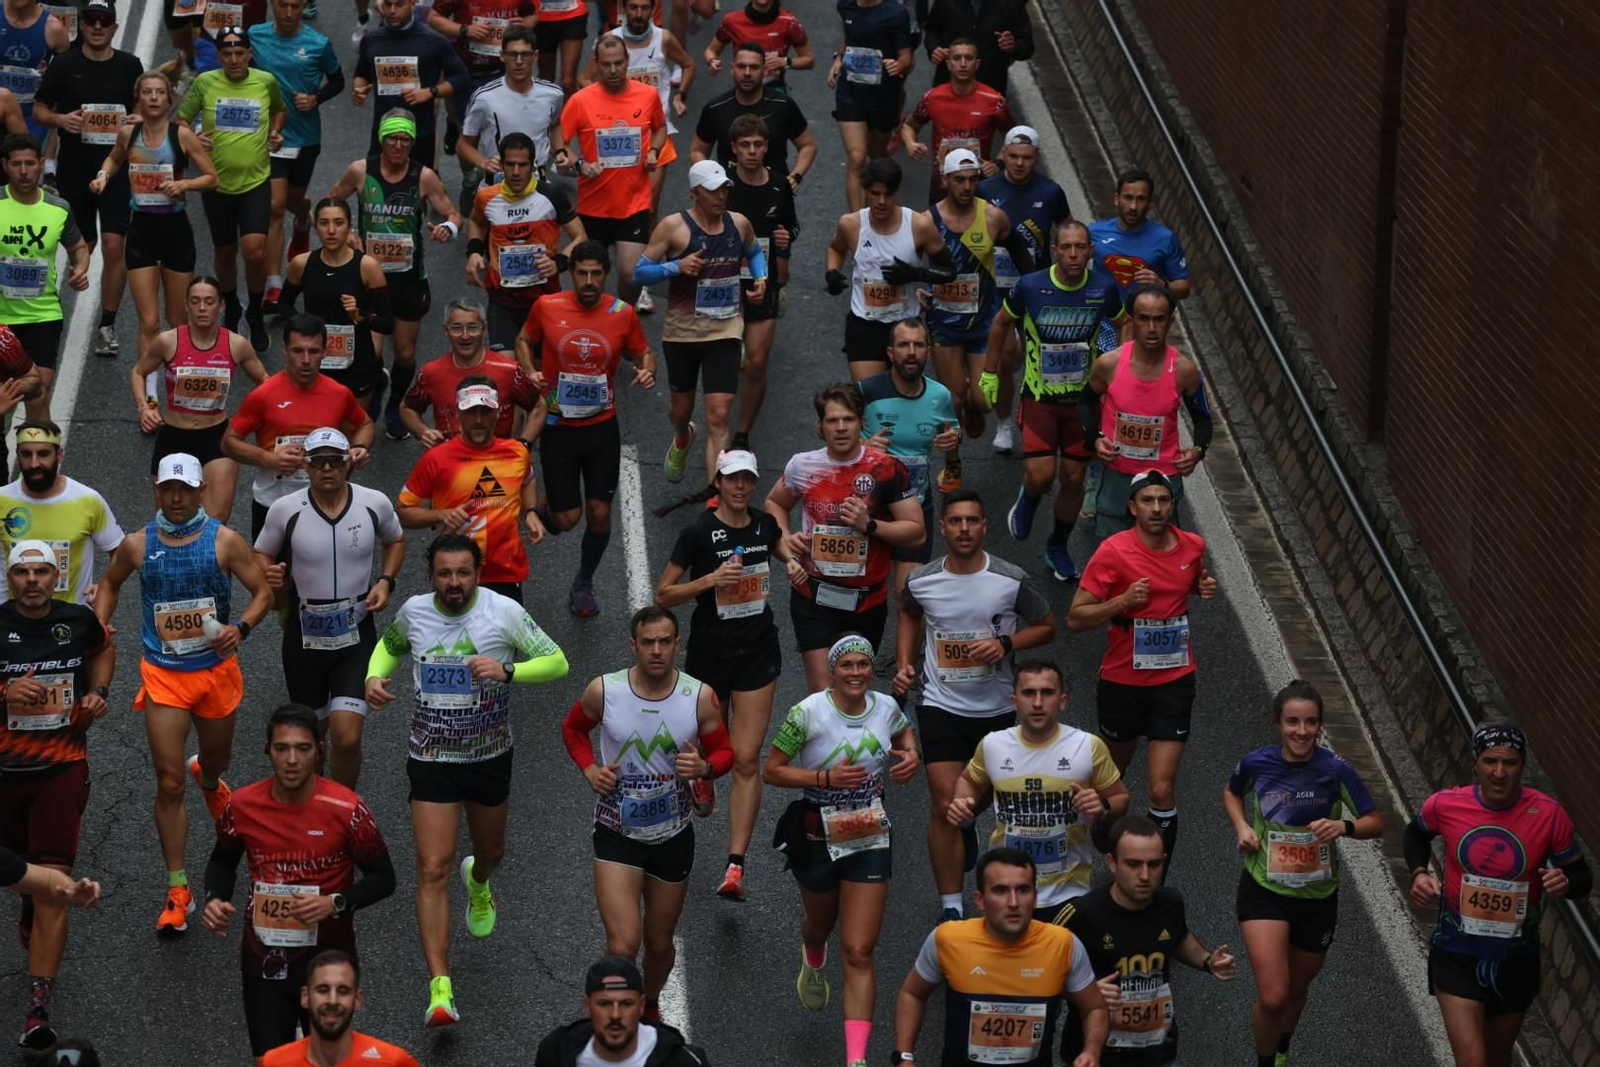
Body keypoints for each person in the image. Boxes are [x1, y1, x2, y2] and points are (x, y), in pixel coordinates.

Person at [365, 533, 569, 1027]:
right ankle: (440, 988)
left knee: (491, 851)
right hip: (431, 757)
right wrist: (374, 677)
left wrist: (507, 670)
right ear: (430, 575)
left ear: (478, 573)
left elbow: (557, 661)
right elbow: (387, 649)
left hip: (488, 756)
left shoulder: (503, 613)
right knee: (432, 866)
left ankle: (478, 880)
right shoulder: (414, 612)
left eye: (462, 573)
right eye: (444, 574)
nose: (453, 583)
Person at [92, 452, 273, 936]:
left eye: (185, 490)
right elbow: (109, 585)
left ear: (199, 492)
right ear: (156, 489)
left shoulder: (225, 541)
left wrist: (242, 628)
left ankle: (209, 780)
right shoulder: (137, 544)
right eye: (168, 489)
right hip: (164, 674)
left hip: (215, 672)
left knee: (214, 762)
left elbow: (263, 593)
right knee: (168, 782)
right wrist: (100, 624)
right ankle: (178, 889)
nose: (176, 499)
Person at [562, 606, 730, 1025]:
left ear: (678, 644)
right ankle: (611, 1020)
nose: (657, 650)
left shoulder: (700, 696)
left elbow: (727, 752)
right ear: (632, 646)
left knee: (657, 943)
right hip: (616, 830)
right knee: (623, 942)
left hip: (673, 833)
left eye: (664, 642)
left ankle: (650, 1002)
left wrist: (706, 768)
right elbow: (572, 729)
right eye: (648, 642)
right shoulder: (605, 691)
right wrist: (589, 770)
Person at [200, 704, 398, 1058]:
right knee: (271, 1060)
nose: (292, 759)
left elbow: (384, 878)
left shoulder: (347, 809)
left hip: (328, 963)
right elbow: (222, 861)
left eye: (303, 748)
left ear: (319, 751)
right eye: (282, 748)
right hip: (264, 958)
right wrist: (215, 898)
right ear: (268, 751)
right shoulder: (242, 805)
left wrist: (334, 903)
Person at [895, 492, 1055, 919]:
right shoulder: (922, 580)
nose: (963, 529)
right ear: (942, 528)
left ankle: (966, 823)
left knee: (973, 802)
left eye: (972, 521)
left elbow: (1046, 625)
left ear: (985, 526)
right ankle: (952, 906)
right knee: (945, 804)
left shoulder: (1010, 579)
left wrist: (1006, 643)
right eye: (955, 521)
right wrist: (907, 663)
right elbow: (908, 612)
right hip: (941, 704)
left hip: (997, 709)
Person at [765, 634, 919, 1067]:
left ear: (872, 670)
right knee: (820, 925)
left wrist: (912, 758)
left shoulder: (886, 707)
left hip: (869, 835)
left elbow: (905, 738)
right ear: (832, 671)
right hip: (816, 835)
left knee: (858, 950)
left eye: (863, 665)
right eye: (847, 665)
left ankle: (856, 1060)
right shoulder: (807, 713)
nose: (856, 673)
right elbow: (772, 771)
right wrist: (824, 781)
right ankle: (813, 952)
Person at [1407, 722, 1593, 1067]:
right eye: (1491, 761)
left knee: (1495, 1060)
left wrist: (1565, 882)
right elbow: (1415, 835)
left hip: (1514, 960)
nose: (1499, 772)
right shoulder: (1446, 804)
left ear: (1522, 766)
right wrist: (1419, 872)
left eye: (1510, 763)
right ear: (1476, 762)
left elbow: (1583, 876)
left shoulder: (1549, 815)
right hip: (1457, 952)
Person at [1223, 680, 1383, 1067]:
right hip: (1265, 889)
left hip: (1317, 897)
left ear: (1320, 725)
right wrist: (1242, 827)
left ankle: (1282, 1046)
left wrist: (1344, 827)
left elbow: (1376, 822)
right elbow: (1231, 792)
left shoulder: (1335, 769)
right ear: (1277, 723)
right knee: (1274, 995)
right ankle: (1265, 1062)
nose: (1301, 731)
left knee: (1296, 991)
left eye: (1310, 722)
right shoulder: (1257, 763)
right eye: (1292, 721)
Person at [655, 449, 791, 901]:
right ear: (718, 482)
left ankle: (736, 866)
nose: (740, 487)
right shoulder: (697, 532)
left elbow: (780, 546)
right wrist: (707, 582)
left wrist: (795, 557)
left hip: (757, 651)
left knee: (748, 758)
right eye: (732, 479)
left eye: (747, 480)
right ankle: (704, 776)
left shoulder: (763, 525)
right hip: (711, 654)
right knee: (715, 749)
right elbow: (663, 594)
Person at [1068, 470, 1215, 876]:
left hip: (1175, 678)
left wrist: (1201, 586)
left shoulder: (1193, 545)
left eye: (1163, 500)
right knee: (1113, 787)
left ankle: (1152, 877)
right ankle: (1103, 842)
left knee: (1161, 788)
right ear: (1132, 507)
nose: (1156, 508)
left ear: (1173, 505)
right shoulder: (1114, 552)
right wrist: (1122, 602)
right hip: (1122, 679)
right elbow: (1077, 617)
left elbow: (1187, 579)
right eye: (1147, 501)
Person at [0, 540, 113, 1049]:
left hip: (61, 769)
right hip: (4, 774)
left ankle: (37, 1009)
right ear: (10, 577)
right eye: (22, 572)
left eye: (41, 571)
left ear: (55, 576)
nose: (32, 580)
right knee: (20, 871)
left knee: (53, 884)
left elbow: (104, 647)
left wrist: (99, 692)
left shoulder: (80, 620)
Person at [253, 429, 405, 788]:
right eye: (317, 461)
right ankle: (313, 801)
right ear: (305, 466)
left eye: (334, 461)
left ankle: (343, 806)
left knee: (347, 736)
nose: (326, 469)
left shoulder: (374, 503)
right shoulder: (285, 509)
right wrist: (269, 574)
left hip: (356, 632)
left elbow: (395, 539)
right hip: (304, 634)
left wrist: (385, 580)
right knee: (311, 737)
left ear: (347, 463)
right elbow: (260, 552)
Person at [515, 241, 654, 617]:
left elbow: (643, 351)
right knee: (567, 519)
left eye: (596, 274)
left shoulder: (623, 313)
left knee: (599, 512)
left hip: (601, 427)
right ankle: (541, 512)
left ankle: (584, 581)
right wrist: (529, 371)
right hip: (559, 426)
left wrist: (647, 369)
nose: (589, 281)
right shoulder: (548, 306)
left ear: (605, 275)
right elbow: (524, 340)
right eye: (582, 273)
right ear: (571, 273)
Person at [982, 220, 1122, 580]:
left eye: (1081, 247)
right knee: (1042, 475)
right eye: (1067, 247)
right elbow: (1000, 324)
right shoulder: (1031, 286)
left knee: (1074, 479)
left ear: (1091, 251)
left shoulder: (1104, 288)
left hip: (1083, 403)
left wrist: (1119, 366)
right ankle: (1029, 498)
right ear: (1055, 251)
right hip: (1040, 397)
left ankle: (1057, 546)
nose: (1074, 254)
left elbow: (1126, 321)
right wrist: (990, 372)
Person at [765, 383, 924, 693]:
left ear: (861, 423)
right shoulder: (802, 465)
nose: (840, 427)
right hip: (813, 596)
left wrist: (871, 525)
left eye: (848, 419)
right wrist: (786, 541)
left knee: (854, 689)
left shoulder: (886, 469)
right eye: (832, 420)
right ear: (820, 427)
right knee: (823, 694)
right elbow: (774, 503)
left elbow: (916, 532)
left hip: (868, 600)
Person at [949, 658, 1126, 926]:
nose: (1038, 702)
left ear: (1063, 701)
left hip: (1068, 890)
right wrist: (962, 803)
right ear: (1014, 701)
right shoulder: (994, 746)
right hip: (1006, 887)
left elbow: (1121, 798)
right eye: (1029, 693)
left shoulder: (1087, 746)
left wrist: (1102, 805)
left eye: (1048, 693)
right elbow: (969, 780)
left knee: (1061, 964)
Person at [892, 847, 1108, 1067]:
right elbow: (912, 994)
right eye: (1000, 890)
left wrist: (1091, 1051)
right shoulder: (948, 939)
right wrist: (904, 1056)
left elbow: (1095, 1008)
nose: (1013, 902)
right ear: (980, 900)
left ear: (1034, 898)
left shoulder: (1063, 944)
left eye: (1023, 890)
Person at [324, 110, 463, 441]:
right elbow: (332, 200)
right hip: (369, 277)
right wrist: (347, 234)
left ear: (412, 143)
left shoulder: (424, 177)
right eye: (392, 138)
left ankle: (396, 407)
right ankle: (373, 395)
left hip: (408, 279)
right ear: (382, 139)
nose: (398, 145)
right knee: (370, 353)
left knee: (404, 353)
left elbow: (454, 213)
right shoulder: (361, 171)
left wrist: (448, 228)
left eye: (405, 139)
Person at [1060, 815, 1236, 1065]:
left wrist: (1208, 961)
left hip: (1156, 1050)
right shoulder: (1082, 913)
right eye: (1133, 864)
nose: (1145, 875)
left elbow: (1178, 938)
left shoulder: (1170, 902)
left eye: (1154, 864)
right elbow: (1045, 970)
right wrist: (1085, 993)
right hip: (1096, 1054)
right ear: (1112, 862)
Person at [637, 159, 767, 487]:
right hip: (682, 333)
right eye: (712, 191)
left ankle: (714, 498)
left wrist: (760, 277)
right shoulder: (673, 227)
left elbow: (753, 252)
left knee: (720, 416)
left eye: (724, 188)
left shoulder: (739, 224)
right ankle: (683, 437)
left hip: (725, 330)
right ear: (694, 193)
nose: (720, 196)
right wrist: (675, 267)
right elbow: (639, 272)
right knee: (681, 411)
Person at [30, 0, 143, 358]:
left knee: (113, 244)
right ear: (82, 25)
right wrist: (61, 121)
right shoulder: (65, 65)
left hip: (117, 168)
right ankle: (50, 312)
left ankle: (106, 324)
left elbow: (143, 110)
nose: (97, 26)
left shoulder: (130, 65)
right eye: (91, 20)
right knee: (80, 246)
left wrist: (135, 121)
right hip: (75, 167)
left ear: (114, 27)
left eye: (104, 21)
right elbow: (39, 108)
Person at [88, 71, 218, 371]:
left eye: (160, 92)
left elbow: (213, 178)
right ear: (139, 99)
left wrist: (184, 186)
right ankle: (148, 395)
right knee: (148, 321)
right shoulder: (128, 134)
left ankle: (176, 384)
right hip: (141, 231)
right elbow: (115, 158)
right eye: (147, 92)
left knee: (177, 320)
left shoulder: (181, 136)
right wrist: (104, 175)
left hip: (175, 232)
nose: (154, 98)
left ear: (168, 98)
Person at [917, 149, 1024, 491]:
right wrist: (918, 289)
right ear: (945, 180)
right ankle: (953, 464)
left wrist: (1034, 293)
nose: (966, 186)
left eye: (973, 179)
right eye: (959, 180)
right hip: (944, 325)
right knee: (954, 399)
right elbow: (905, 261)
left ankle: (975, 408)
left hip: (983, 324)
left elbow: (1023, 257)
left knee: (982, 401)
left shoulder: (993, 217)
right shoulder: (926, 220)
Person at [177, 26, 288, 355]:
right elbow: (182, 120)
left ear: (249, 54)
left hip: (255, 181)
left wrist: (276, 133)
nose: (234, 59)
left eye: (240, 53)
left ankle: (254, 310)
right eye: (227, 54)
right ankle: (233, 308)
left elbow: (280, 110)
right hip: (217, 183)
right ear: (220, 56)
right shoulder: (205, 83)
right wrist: (192, 139)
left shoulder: (265, 82)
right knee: (224, 253)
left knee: (254, 250)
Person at [222, 313, 375, 540]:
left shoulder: (338, 394)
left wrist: (359, 447)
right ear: (284, 349)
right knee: (271, 573)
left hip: (325, 503)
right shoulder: (264, 395)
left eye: (314, 351)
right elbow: (228, 443)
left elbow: (365, 424)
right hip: (273, 504)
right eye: (297, 351)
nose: (306, 359)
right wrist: (270, 459)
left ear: (325, 351)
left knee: (320, 573)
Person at [131, 276, 269, 524]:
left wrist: (254, 420)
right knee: (171, 520)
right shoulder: (168, 341)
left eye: (209, 301)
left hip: (216, 438)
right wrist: (146, 407)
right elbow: (139, 372)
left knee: (215, 521)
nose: (202, 308)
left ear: (222, 306)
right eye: (195, 302)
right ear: (186, 306)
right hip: (173, 436)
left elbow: (267, 385)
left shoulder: (237, 345)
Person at [396, 377, 546, 602]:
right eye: (470, 412)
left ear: (498, 413)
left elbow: (528, 480)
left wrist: (531, 511)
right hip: (456, 577)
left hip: (505, 573)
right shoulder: (437, 458)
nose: (478, 420)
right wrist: (440, 515)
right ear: (458, 413)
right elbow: (403, 513)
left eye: (485, 412)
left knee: (504, 637)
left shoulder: (517, 453)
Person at [1078, 286, 1212, 536]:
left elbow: (1203, 419)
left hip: (1162, 479)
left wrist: (1197, 451)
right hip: (1117, 475)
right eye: (1144, 318)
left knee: (1162, 561)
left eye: (1159, 319)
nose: (1152, 327)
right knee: (1115, 562)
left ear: (1170, 321)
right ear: (1131, 319)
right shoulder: (1109, 363)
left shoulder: (1184, 369)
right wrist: (1094, 439)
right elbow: (1085, 403)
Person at [978, 126, 1073, 456]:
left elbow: (1068, 231)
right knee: (1006, 359)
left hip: (1038, 290)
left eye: (1027, 158)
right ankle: (1004, 423)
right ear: (1002, 155)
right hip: (996, 290)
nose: (1019, 164)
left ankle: (1041, 418)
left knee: (1043, 361)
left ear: (1037, 158)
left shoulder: (1050, 192)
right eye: (1013, 157)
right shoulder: (985, 189)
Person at [249, 0, 343, 319]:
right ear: (272, 5)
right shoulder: (255, 36)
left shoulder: (318, 44)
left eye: (295, 6)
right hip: (270, 137)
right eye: (282, 6)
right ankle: (275, 285)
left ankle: (303, 218)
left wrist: (317, 98)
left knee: (293, 200)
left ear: (304, 6)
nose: (288, 14)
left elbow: (338, 81)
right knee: (275, 207)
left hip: (306, 137)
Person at [559, 35, 668, 311]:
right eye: (606, 64)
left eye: (619, 63)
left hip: (633, 203)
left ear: (627, 61)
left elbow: (660, 128)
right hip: (593, 206)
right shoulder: (581, 101)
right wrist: (579, 164)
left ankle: (620, 317)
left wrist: (654, 151)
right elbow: (558, 142)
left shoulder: (647, 95)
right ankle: (591, 326)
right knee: (588, 280)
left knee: (632, 275)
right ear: (597, 64)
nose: (613, 70)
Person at [825, 158, 953, 383]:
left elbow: (950, 270)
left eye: (888, 194)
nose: (882, 201)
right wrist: (832, 272)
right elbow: (835, 248)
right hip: (864, 324)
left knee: (902, 400)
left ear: (897, 191)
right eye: (875, 193)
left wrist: (916, 275)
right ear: (866, 191)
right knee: (869, 400)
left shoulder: (918, 225)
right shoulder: (851, 224)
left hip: (905, 326)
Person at [858, 318, 957, 594]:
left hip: (916, 507)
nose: (911, 352)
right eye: (903, 345)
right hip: (870, 507)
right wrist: (863, 446)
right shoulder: (866, 392)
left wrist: (954, 440)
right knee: (861, 596)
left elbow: (956, 432)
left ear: (928, 351)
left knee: (909, 598)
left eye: (918, 345)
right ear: (891, 353)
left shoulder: (940, 395)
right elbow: (832, 435)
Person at [464, 130, 585, 353]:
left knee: (538, 374)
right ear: (501, 164)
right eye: (510, 165)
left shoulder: (551, 195)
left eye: (523, 165)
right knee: (507, 373)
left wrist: (557, 263)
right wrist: (473, 251)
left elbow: (580, 237)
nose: (516, 172)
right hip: (502, 300)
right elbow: (476, 222)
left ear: (533, 165)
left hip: (544, 299)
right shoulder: (486, 197)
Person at [0, 134, 89, 421]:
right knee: (4, 397)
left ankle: (36, 464)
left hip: (42, 316)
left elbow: (79, 247)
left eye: (29, 164)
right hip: (1, 320)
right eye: (16, 164)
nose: (24, 171)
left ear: (40, 165)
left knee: (39, 393)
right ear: (5, 166)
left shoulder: (58, 208)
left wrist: (80, 268)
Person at [725, 114, 795, 448]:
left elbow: (790, 227)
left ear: (767, 147)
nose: (752, 151)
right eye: (745, 145)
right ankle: (718, 421)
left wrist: (783, 249)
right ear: (734, 149)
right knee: (723, 361)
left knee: (756, 361)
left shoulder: (780, 184)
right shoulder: (721, 184)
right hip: (722, 283)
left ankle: (742, 434)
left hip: (762, 281)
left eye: (758, 145)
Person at [278, 198, 392, 403]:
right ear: (315, 227)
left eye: (338, 223)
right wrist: (304, 325)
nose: (331, 230)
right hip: (314, 362)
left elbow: (387, 322)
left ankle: (377, 380)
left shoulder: (367, 267)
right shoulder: (301, 264)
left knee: (354, 429)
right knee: (316, 428)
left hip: (357, 364)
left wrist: (360, 315)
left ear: (349, 226)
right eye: (324, 223)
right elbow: (284, 304)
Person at [0, 422, 123, 606]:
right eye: (26, 454)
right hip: (11, 621)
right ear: (17, 455)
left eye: (43, 454)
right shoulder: (2, 499)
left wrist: (107, 584)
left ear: (59, 455)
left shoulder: (87, 500)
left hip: (72, 621)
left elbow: (119, 551)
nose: (34, 463)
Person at [427, 0, 537, 205]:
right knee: (468, 134)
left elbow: (531, 15)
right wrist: (464, 29)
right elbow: (433, 18)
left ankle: (501, 181)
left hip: (501, 70)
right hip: (465, 71)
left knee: (501, 127)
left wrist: (524, 26)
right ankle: (469, 177)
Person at [351, 0, 470, 171]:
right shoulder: (371, 40)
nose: (392, 11)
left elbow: (461, 78)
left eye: (399, 5)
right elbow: (362, 74)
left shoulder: (433, 41)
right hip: (383, 131)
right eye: (387, 4)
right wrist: (359, 89)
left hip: (420, 133)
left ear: (413, 4)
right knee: (375, 191)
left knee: (418, 192)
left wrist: (431, 91)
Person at [534, 956, 713, 1066]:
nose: (615, 1015)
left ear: (642, 1005)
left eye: (626, 1004)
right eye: (604, 1004)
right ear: (587, 1006)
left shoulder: (682, 1061)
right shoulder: (554, 1053)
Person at [455, 26, 567, 200]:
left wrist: (560, 151)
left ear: (535, 56)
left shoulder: (553, 94)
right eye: (513, 55)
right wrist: (484, 163)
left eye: (525, 54)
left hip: (540, 187)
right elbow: (463, 145)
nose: (519, 61)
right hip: (497, 186)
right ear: (502, 56)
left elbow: (555, 125)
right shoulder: (484, 98)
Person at [259, 950, 422, 1066]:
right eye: (323, 990)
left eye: (343, 991)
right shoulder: (274, 1063)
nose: (332, 1000)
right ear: (305, 997)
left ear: (357, 999)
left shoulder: (392, 1062)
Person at [401, 298, 527, 445]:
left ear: (484, 329)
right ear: (445, 330)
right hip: (451, 463)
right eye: (456, 328)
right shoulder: (431, 372)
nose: (465, 336)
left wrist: (525, 444)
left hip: (499, 462)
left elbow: (538, 406)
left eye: (472, 327)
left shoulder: (510, 370)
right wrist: (424, 432)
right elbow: (407, 408)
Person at [900, 40, 1011, 202]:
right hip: (942, 185)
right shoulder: (932, 97)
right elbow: (909, 125)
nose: (963, 64)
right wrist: (911, 143)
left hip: (978, 186)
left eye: (969, 58)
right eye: (957, 58)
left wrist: (998, 163)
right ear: (948, 64)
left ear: (977, 64)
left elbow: (1013, 136)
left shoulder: (994, 100)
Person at [827, 0, 912, 212]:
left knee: (877, 160)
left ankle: (877, 211)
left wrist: (899, 64)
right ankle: (857, 223)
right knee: (856, 157)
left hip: (882, 95)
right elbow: (849, 37)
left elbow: (906, 56)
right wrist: (839, 59)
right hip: (851, 92)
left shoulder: (896, 13)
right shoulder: (845, 6)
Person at [690, 42, 817, 183]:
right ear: (732, 69)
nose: (747, 73)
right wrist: (709, 179)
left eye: (754, 67)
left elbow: (807, 145)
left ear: (764, 70)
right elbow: (698, 150)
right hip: (729, 195)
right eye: (741, 66)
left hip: (776, 195)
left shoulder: (783, 106)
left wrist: (796, 176)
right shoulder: (715, 108)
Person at [1087, 169, 1190, 308]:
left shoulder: (1165, 239)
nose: (1133, 207)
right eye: (1128, 197)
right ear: (1117, 199)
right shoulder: (1094, 232)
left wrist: (1162, 284)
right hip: (1101, 317)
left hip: (1142, 320)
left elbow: (1184, 288)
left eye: (1141, 199)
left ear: (1150, 203)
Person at [921, 0, 1031, 94]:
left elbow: (1027, 46)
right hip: (949, 84)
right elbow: (932, 30)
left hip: (989, 86)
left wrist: (1013, 47)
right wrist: (934, 48)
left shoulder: (1011, 3)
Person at [0, 0, 68, 142]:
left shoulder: (54, 29)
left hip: (32, 117)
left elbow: (65, 81)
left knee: (26, 159)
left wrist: (51, 76)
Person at [704, 0, 812, 84]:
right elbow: (711, 50)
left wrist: (785, 62)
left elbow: (809, 59)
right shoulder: (731, 20)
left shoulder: (789, 22)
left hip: (774, 87)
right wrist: (713, 61)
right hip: (743, 86)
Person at [530, 0, 586, 96]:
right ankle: (546, 110)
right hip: (541, 17)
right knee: (546, 80)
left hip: (573, 14)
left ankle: (570, 110)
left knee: (568, 82)